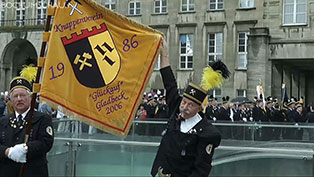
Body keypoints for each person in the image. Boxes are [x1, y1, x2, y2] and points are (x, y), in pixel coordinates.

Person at [151, 39, 229, 177]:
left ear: (199, 108)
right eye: (184, 102)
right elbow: (169, 83)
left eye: (190, 105)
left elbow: (201, 171)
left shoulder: (207, 133)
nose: (184, 107)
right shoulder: (177, 107)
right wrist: (164, 55)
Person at [0, 76, 54, 177]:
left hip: (33, 171)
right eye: (15, 96)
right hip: (7, 171)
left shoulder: (42, 118)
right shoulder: (3, 121)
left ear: (30, 97)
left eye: (23, 95)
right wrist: (7, 152)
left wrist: (25, 148)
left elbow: (46, 142)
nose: (19, 99)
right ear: (10, 100)